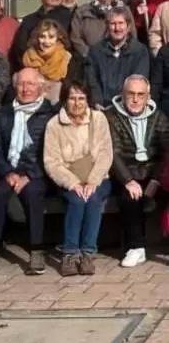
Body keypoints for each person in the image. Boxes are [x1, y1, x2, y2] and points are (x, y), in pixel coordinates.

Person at [0, 68, 55, 276]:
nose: (25, 88)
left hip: (38, 172)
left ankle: (37, 250)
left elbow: (51, 151)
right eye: (21, 84)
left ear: (40, 87)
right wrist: (7, 172)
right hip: (10, 170)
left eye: (30, 84)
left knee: (32, 193)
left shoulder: (51, 114)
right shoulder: (4, 112)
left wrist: (29, 175)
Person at [43, 81, 113, 276]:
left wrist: (92, 181)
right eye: (72, 98)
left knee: (93, 199)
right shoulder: (54, 125)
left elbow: (106, 154)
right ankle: (70, 252)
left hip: (98, 177)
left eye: (81, 98)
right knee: (76, 200)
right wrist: (73, 183)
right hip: (68, 178)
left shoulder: (99, 119)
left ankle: (88, 252)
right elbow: (52, 162)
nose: (77, 103)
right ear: (65, 100)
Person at [105, 75, 169, 267]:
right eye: (131, 94)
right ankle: (136, 248)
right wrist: (128, 180)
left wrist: (156, 181)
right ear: (122, 94)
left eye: (140, 95)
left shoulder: (159, 117)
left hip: (153, 173)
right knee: (129, 198)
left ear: (148, 96)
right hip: (126, 173)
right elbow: (112, 153)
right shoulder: (110, 116)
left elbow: (166, 153)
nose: (135, 99)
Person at [86, 7, 150, 109]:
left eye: (121, 23)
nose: (117, 28)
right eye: (113, 24)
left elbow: (137, 81)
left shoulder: (139, 51)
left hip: (127, 107)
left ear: (128, 27)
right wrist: (97, 102)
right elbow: (92, 81)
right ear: (107, 26)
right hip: (101, 107)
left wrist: (121, 105)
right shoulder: (96, 51)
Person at [10, 0, 74, 72]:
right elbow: (19, 48)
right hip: (31, 70)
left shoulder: (71, 18)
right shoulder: (29, 20)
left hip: (61, 71)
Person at [71, 0, 136, 57]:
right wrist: (90, 55)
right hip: (90, 59)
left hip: (118, 59)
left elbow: (132, 36)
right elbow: (75, 38)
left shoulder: (124, 10)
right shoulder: (82, 11)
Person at [22, 18, 84, 104]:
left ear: (58, 38)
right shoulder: (28, 57)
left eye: (51, 37)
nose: (46, 41)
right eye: (42, 36)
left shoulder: (67, 59)